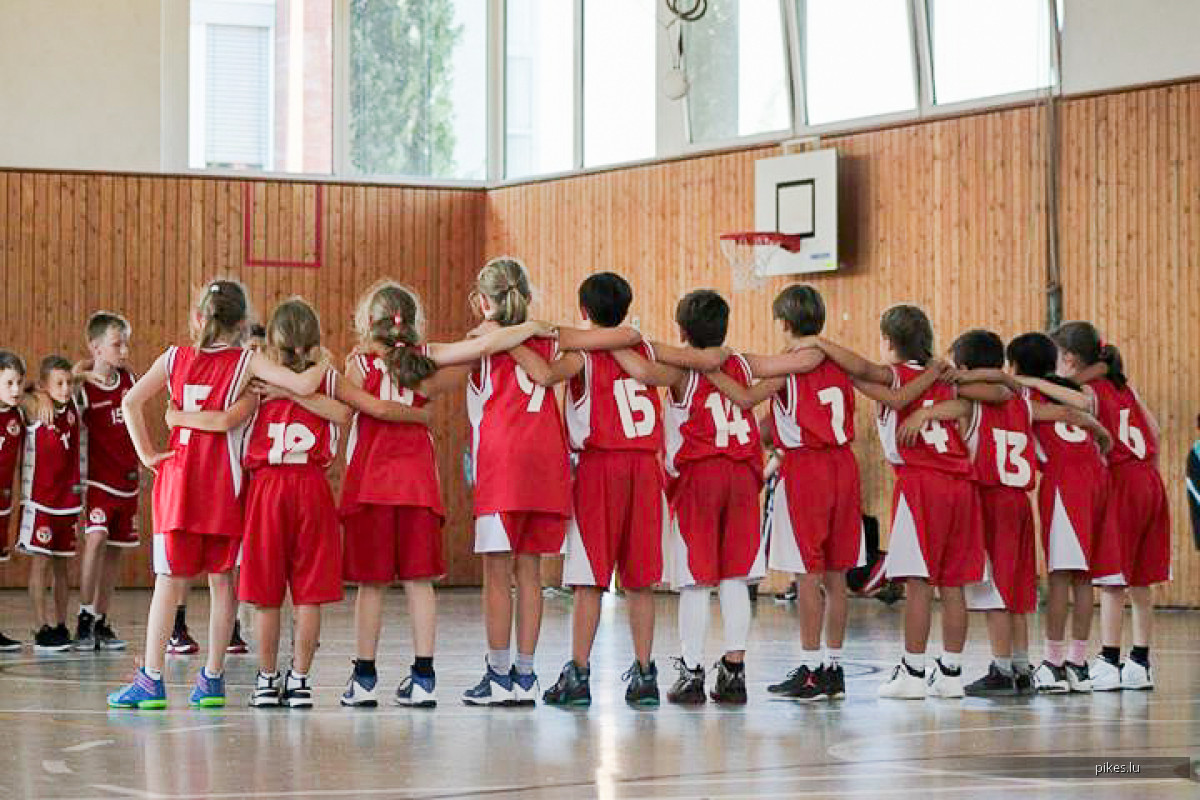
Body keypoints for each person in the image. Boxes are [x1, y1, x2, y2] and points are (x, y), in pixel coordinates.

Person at [107, 279, 330, 710]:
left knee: (168, 584)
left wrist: (149, 453)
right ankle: (212, 678)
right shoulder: (248, 363)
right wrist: (329, 365)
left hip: (179, 486)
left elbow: (130, 402)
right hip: (224, 489)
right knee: (221, 583)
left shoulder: (174, 358)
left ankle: (151, 679)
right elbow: (303, 388)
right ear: (243, 324)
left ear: (198, 318)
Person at [338, 280, 555, 709]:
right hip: (418, 484)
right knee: (420, 584)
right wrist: (532, 327)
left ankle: (363, 679)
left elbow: (355, 412)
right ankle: (423, 677)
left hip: (370, 485)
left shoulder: (358, 366)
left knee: (372, 587)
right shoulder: (427, 361)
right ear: (415, 322)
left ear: (367, 322)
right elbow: (486, 347)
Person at [811, 305, 1004, 699]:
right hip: (961, 486)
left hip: (922, 484)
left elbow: (862, 369)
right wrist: (950, 378)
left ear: (888, 341)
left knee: (917, 585)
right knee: (953, 587)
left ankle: (913, 673)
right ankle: (950, 674)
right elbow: (999, 392)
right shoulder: (948, 381)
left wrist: (819, 343)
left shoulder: (896, 377)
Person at [705, 284, 862, 702]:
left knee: (807, 576)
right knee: (837, 577)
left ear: (785, 323)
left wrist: (709, 368)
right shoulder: (838, 365)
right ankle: (834, 667)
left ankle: (810, 669)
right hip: (845, 466)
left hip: (807, 468)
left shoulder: (788, 368)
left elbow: (741, 395)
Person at [617, 289, 763, 705]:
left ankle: (692, 670)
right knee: (735, 577)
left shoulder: (679, 372)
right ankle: (734, 671)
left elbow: (643, 373)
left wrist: (617, 341)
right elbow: (791, 365)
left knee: (696, 579)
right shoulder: (742, 364)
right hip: (743, 474)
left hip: (701, 475)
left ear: (681, 331)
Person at [898, 330, 1038, 695]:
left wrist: (926, 410)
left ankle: (1002, 668)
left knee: (996, 593)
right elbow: (1003, 387)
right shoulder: (1021, 401)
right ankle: (1022, 666)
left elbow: (951, 401)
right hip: (1022, 502)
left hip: (992, 498)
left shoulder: (971, 403)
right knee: (1019, 592)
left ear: (962, 367)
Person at [1053, 321, 1169, 691]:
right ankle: (1140, 662)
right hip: (1150, 479)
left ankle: (1109, 659)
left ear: (1070, 359)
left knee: (1112, 579)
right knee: (1141, 578)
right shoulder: (1125, 386)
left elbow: (1076, 406)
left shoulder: (1089, 390)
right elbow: (1155, 431)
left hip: (1121, 481)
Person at [1001, 332, 1112, 693]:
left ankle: (1053, 663)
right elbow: (1080, 405)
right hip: (1096, 477)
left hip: (1065, 483)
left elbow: (1065, 411)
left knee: (1061, 578)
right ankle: (1078, 664)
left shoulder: (1022, 395)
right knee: (1083, 579)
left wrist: (1023, 381)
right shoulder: (1066, 388)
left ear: (1014, 365)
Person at [72, 312, 138, 652]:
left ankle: (101, 618)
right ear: (95, 348)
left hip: (127, 479)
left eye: (126, 343)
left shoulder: (128, 380)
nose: (124, 350)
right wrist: (78, 372)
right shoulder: (81, 389)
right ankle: (84, 616)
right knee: (95, 540)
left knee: (115, 551)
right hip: (98, 481)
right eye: (117, 344)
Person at [18, 356, 82, 652]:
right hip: (40, 502)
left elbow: (83, 369)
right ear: (45, 385)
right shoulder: (35, 407)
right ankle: (40, 625)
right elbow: (17, 394)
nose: (66, 388)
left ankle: (59, 623)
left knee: (62, 569)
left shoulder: (72, 405)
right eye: (58, 383)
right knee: (40, 564)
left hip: (67, 502)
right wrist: (35, 392)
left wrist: (73, 378)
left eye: (68, 382)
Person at [0, 351, 26, 650]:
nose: (16, 389)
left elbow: (37, 394)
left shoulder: (18, 412)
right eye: (9, 383)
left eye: (19, 382)